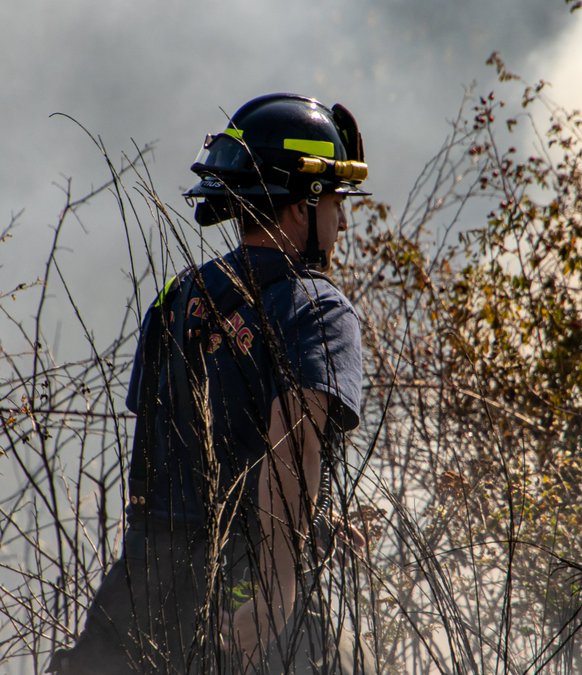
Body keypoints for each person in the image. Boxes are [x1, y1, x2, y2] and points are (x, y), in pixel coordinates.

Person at [49, 93, 373, 674]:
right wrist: (275, 591)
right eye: (335, 201)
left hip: (140, 590)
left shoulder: (177, 298)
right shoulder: (317, 309)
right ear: (302, 205)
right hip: (244, 593)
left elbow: (180, 456)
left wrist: (317, 522)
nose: (343, 221)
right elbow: (290, 448)